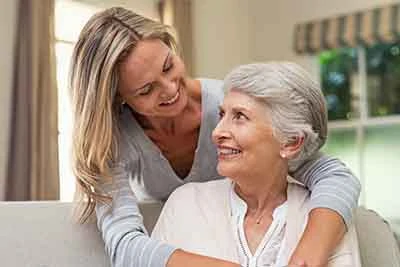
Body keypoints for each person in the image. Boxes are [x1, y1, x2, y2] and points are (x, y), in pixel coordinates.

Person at [69, 7, 361, 267]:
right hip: (179, 242)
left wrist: (309, 252)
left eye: (169, 66)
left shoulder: (229, 103)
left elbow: (331, 173)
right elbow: (124, 246)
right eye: (146, 90)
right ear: (119, 98)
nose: (170, 90)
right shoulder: (112, 141)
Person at [152, 62, 362, 267]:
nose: (216, 132)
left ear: (291, 142)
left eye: (240, 117)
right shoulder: (185, 204)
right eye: (222, 114)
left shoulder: (324, 217)